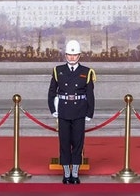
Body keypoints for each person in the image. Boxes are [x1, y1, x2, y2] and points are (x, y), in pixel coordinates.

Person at [47, 40, 96, 184]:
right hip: (63, 110)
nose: (72, 57)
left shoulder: (86, 72)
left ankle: (75, 172)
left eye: (75, 55)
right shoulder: (58, 70)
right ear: (65, 55)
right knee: (64, 142)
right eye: (69, 54)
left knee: (78, 142)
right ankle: (66, 173)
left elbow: (90, 94)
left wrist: (89, 112)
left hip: (79, 110)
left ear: (79, 55)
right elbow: (52, 92)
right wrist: (53, 109)